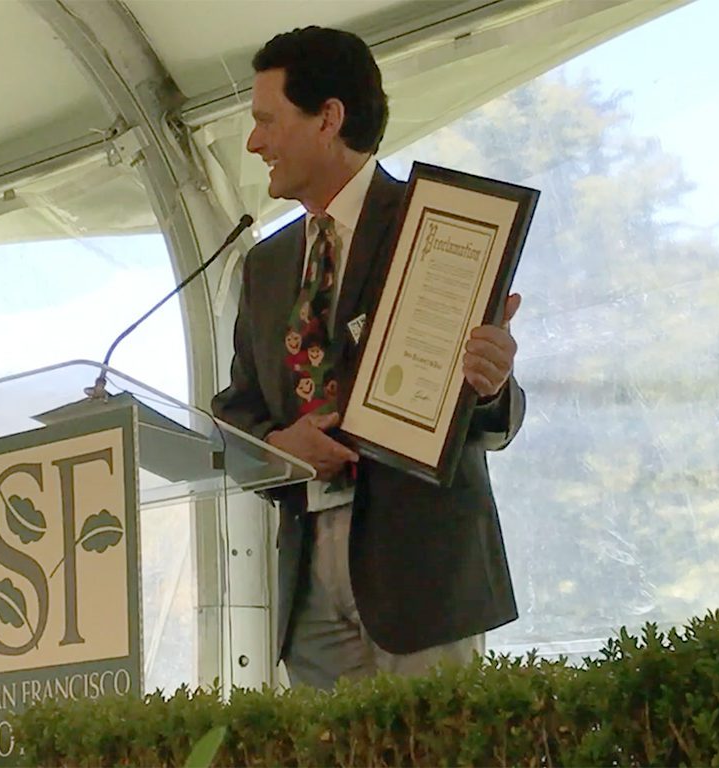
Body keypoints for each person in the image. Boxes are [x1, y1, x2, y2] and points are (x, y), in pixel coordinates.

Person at [211, 26, 526, 689]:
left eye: (267, 120)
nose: (253, 142)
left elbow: (491, 412)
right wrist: (279, 444)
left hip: (421, 575)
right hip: (306, 577)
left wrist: (492, 384)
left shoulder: (440, 227)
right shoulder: (263, 265)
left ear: (329, 118)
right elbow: (237, 409)